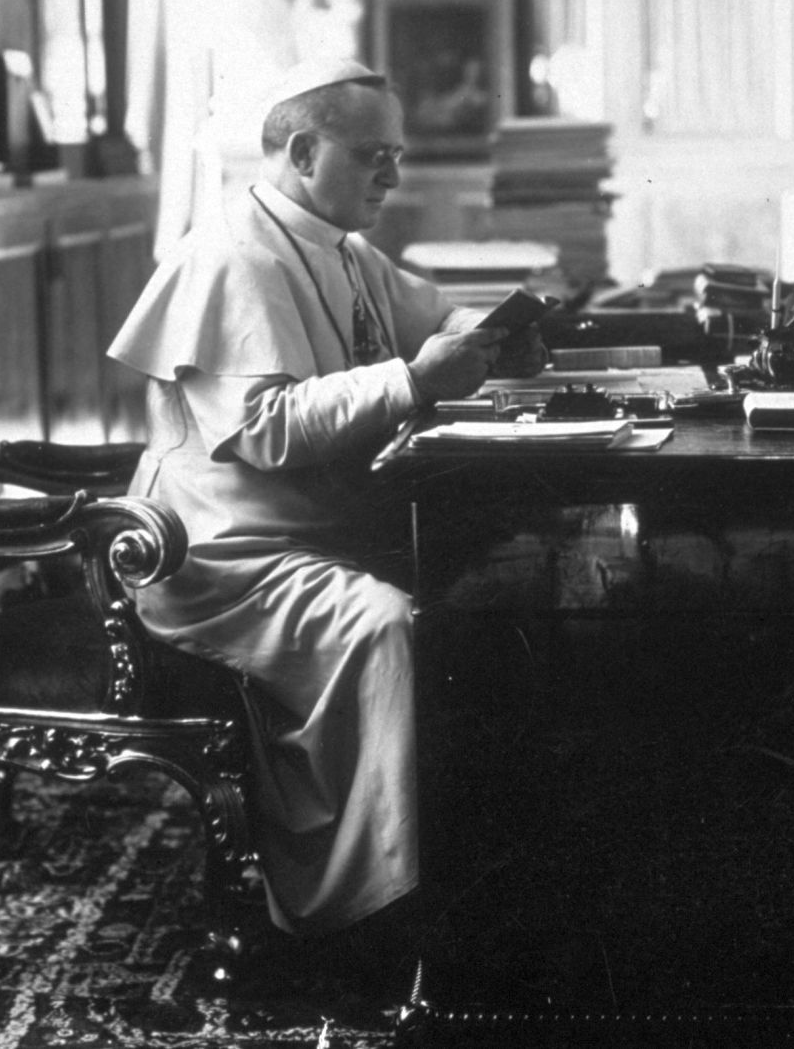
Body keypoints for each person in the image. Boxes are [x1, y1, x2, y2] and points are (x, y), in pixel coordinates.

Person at [105, 56, 545, 974]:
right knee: (384, 622)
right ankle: (363, 911)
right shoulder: (233, 252)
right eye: (373, 155)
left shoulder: (335, 241)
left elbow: (431, 316)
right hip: (224, 554)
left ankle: (473, 852)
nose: (393, 175)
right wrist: (415, 380)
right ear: (304, 151)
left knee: (508, 570)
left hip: (322, 528)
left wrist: (490, 333)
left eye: (397, 155)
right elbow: (263, 431)